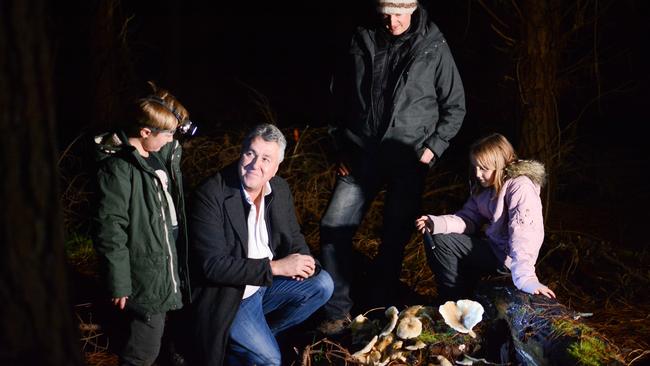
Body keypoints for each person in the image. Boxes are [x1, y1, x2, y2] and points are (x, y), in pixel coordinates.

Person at [318, 0, 466, 333]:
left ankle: (378, 310)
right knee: (333, 227)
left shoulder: (433, 45)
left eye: (399, 13)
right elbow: (336, 97)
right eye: (386, 13)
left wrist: (431, 150)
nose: (392, 21)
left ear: (413, 9)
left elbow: (455, 106)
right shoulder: (362, 38)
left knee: (394, 236)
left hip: (407, 158)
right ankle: (337, 311)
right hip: (360, 154)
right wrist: (339, 147)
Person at [188, 124, 334, 366]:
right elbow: (212, 266)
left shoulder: (279, 188)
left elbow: (293, 237)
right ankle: (241, 347)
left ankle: (260, 338)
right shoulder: (210, 194)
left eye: (266, 158)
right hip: (231, 297)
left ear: (276, 168)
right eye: (250, 153)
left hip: (264, 287)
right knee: (270, 359)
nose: (255, 164)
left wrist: (306, 263)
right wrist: (276, 268)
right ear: (241, 152)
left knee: (323, 284)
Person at [92, 82, 194, 365]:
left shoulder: (154, 155)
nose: (172, 140)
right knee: (143, 350)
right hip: (144, 270)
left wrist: (170, 110)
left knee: (171, 340)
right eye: (168, 134)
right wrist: (119, 283)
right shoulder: (119, 168)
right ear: (145, 132)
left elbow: (173, 127)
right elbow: (110, 228)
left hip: (166, 258)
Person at [415, 133, 556, 302]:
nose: (477, 173)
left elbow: (524, 235)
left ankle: (454, 305)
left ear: (501, 165)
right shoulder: (484, 187)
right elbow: (468, 219)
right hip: (492, 249)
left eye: (483, 168)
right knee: (437, 238)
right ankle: (454, 303)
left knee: (443, 241)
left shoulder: (520, 187)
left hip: (509, 260)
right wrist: (437, 223)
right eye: (475, 167)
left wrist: (527, 279)